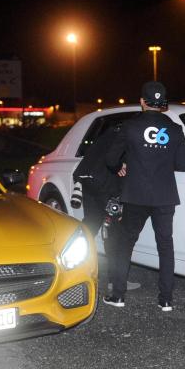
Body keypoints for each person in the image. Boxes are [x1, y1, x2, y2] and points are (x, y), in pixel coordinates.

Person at [103, 81, 185, 311]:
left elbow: (110, 159)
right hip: (165, 196)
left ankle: (118, 296)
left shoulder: (130, 127)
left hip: (135, 195)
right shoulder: (175, 129)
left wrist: (120, 165)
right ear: (163, 105)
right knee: (165, 246)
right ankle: (166, 300)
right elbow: (182, 164)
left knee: (125, 244)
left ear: (142, 101)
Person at [71, 123, 140, 291]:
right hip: (105, 185)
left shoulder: (110, 132)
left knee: (91, 225)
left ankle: (72, 270)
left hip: (87, 181)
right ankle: (115, 281)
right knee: (115, 231)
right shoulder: (127, 136)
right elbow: (114, 160)